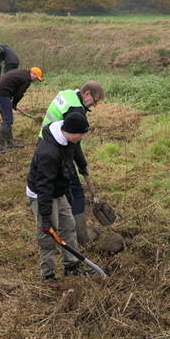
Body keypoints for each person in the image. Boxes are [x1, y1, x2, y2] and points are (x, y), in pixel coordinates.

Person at [27, 112, 96, 281]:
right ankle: (48, 275)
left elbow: (66, 169)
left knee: (68, 227)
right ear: (71, 131)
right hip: (43, 195)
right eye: (81, 134)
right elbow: (44, 187)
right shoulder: (48, 153)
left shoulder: (68, 141)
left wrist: (68, 194)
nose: (81, 138)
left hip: (58, 190)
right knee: (48, 234)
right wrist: (45, 218)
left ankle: (71, 266)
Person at [39, 81, 106, 246]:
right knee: (75, 190)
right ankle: (82, 236)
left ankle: (65, 225)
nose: (95, 105)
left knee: (63, 188)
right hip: (57, 150)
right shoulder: (75, 110)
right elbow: (74, 143)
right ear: (87, 94)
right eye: (95, 101)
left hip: (45, 142)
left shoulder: (69, 94)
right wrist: (82, 165)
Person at [0, 67, 43, 152]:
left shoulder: (21, 71)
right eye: (36, 78)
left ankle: (10, 142)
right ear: (32, 73)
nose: (35, 80)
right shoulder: (27, 79)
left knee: (7, 119)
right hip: (2, 94)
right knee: (8, 120)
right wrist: (14, 103)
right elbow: (19, 93)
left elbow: (2, 78)